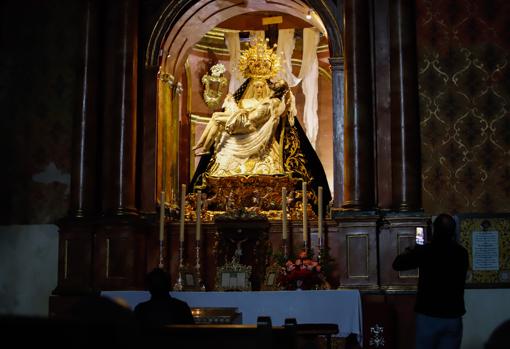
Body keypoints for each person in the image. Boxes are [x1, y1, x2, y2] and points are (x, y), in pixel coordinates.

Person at [392, 213, 469, 349]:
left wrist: (412, 251)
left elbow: (397, 264)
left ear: (434, 230)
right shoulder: (462, 252)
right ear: (453, 230)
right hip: (453, 316)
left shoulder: (426, 251)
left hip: (429, 315)